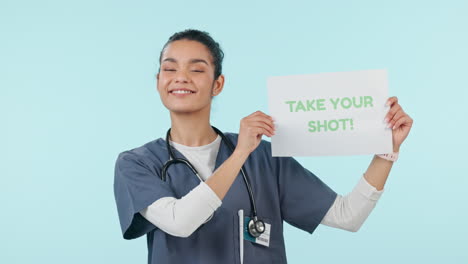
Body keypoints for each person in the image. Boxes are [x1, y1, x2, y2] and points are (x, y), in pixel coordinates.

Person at [113, 29, 413, 264]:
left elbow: (348, 216)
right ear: (158, 81)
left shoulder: (265, 159)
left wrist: (387, 151)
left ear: (218, 84)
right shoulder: (137, 164)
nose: (181, 77)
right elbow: (180, 222)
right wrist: (241, 153)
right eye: (170, 68)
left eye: (197, 69)